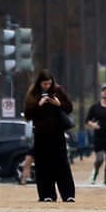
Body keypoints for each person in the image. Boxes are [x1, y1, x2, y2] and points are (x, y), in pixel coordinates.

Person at [23, 69, 76, 202]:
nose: (47, 86)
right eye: (44, 84)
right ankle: (47, 194)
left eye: (49, 83)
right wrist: (39, 105)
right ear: (39, 83)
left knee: (62, 164)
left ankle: (68, 194)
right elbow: (28, 114)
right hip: (41, 135)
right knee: (43, 165)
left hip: (57, 133)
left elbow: (69, 108)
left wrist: (59, 104)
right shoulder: (33, 93)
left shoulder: (58, 91)